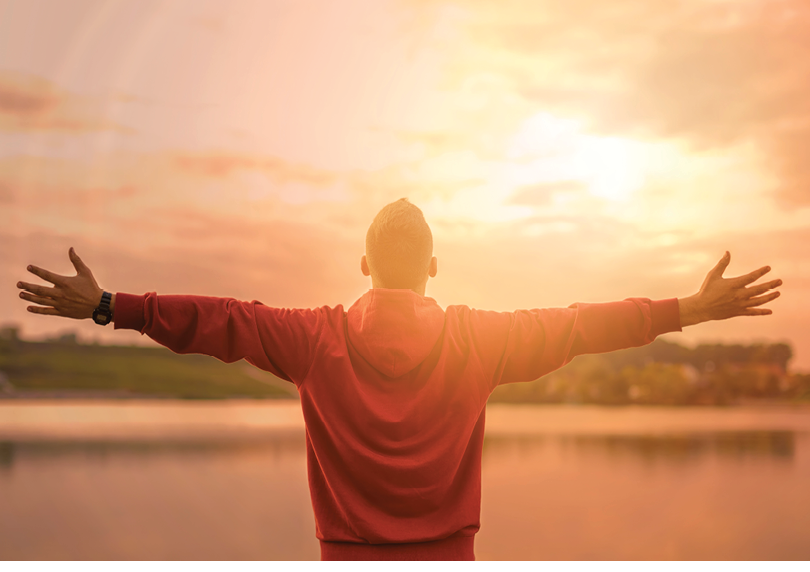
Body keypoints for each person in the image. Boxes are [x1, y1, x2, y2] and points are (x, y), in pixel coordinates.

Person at [16, 198, 782, 561]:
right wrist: (687, 308)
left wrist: (113, 305)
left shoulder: (314, 338)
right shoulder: (478, 339)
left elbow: (220, 319)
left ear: (362, 265)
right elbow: (583, 323)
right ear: (436, 268)